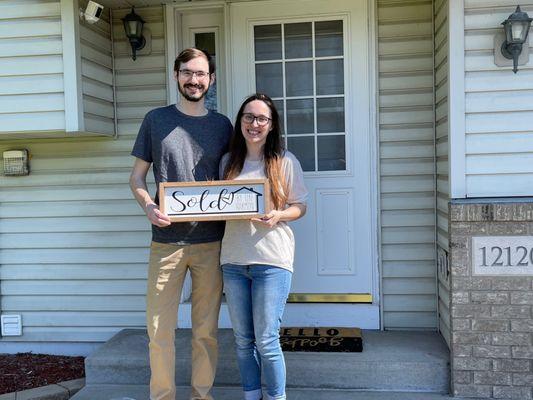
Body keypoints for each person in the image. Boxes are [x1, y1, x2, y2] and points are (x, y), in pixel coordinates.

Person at [129, 48, 233, 400]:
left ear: (211, 79)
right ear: (176, 76)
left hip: (211, 242)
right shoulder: (155, 120)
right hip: (166, 242)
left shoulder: (222, 126)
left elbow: (233, 182)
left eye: (201, 74)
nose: (194, 79)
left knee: (206, 332)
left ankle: (201, 396)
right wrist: (148, 206)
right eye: (187, 72)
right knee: (160, 330)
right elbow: (137, 178)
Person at [219, 93, 308, 400]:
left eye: (261, 119)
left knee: (267, 340)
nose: (254, 124)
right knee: (243, 340)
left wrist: (279, 214)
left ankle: (276, 397)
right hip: (233, 260)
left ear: (271, 125)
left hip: (272, 261)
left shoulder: (285, 161)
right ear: (240, 121)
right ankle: (251, 395)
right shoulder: (228, 162)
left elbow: (301, 206)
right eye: (248, 117)